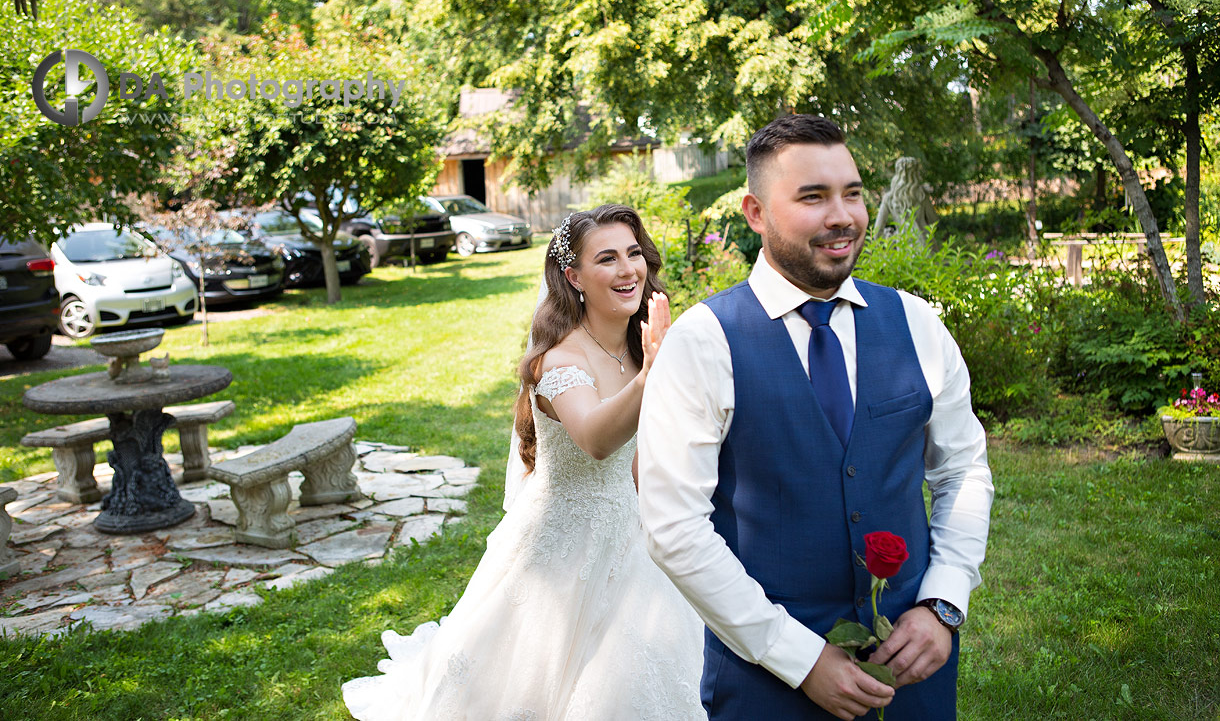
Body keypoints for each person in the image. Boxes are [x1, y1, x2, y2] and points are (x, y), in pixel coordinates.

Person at [638, 114, 994, 721]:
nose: (843, 216)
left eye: (852, 192)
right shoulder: (705, 342)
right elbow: (675, 528)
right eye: (813, 196)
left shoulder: (917, 324)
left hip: (914, 666)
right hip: (766, 683)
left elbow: (964, 471)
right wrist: (797, 657)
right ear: (755, 213)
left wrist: (942, 604)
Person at [342, 203, 706, 721]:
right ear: (573, 275)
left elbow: (634, 456)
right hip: (562, 547)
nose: (628, 270)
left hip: (632, 534)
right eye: (607, 258)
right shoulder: (560, 361)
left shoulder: (632, 345)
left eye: (633, 253)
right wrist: (652, 373)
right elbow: (598, 439)